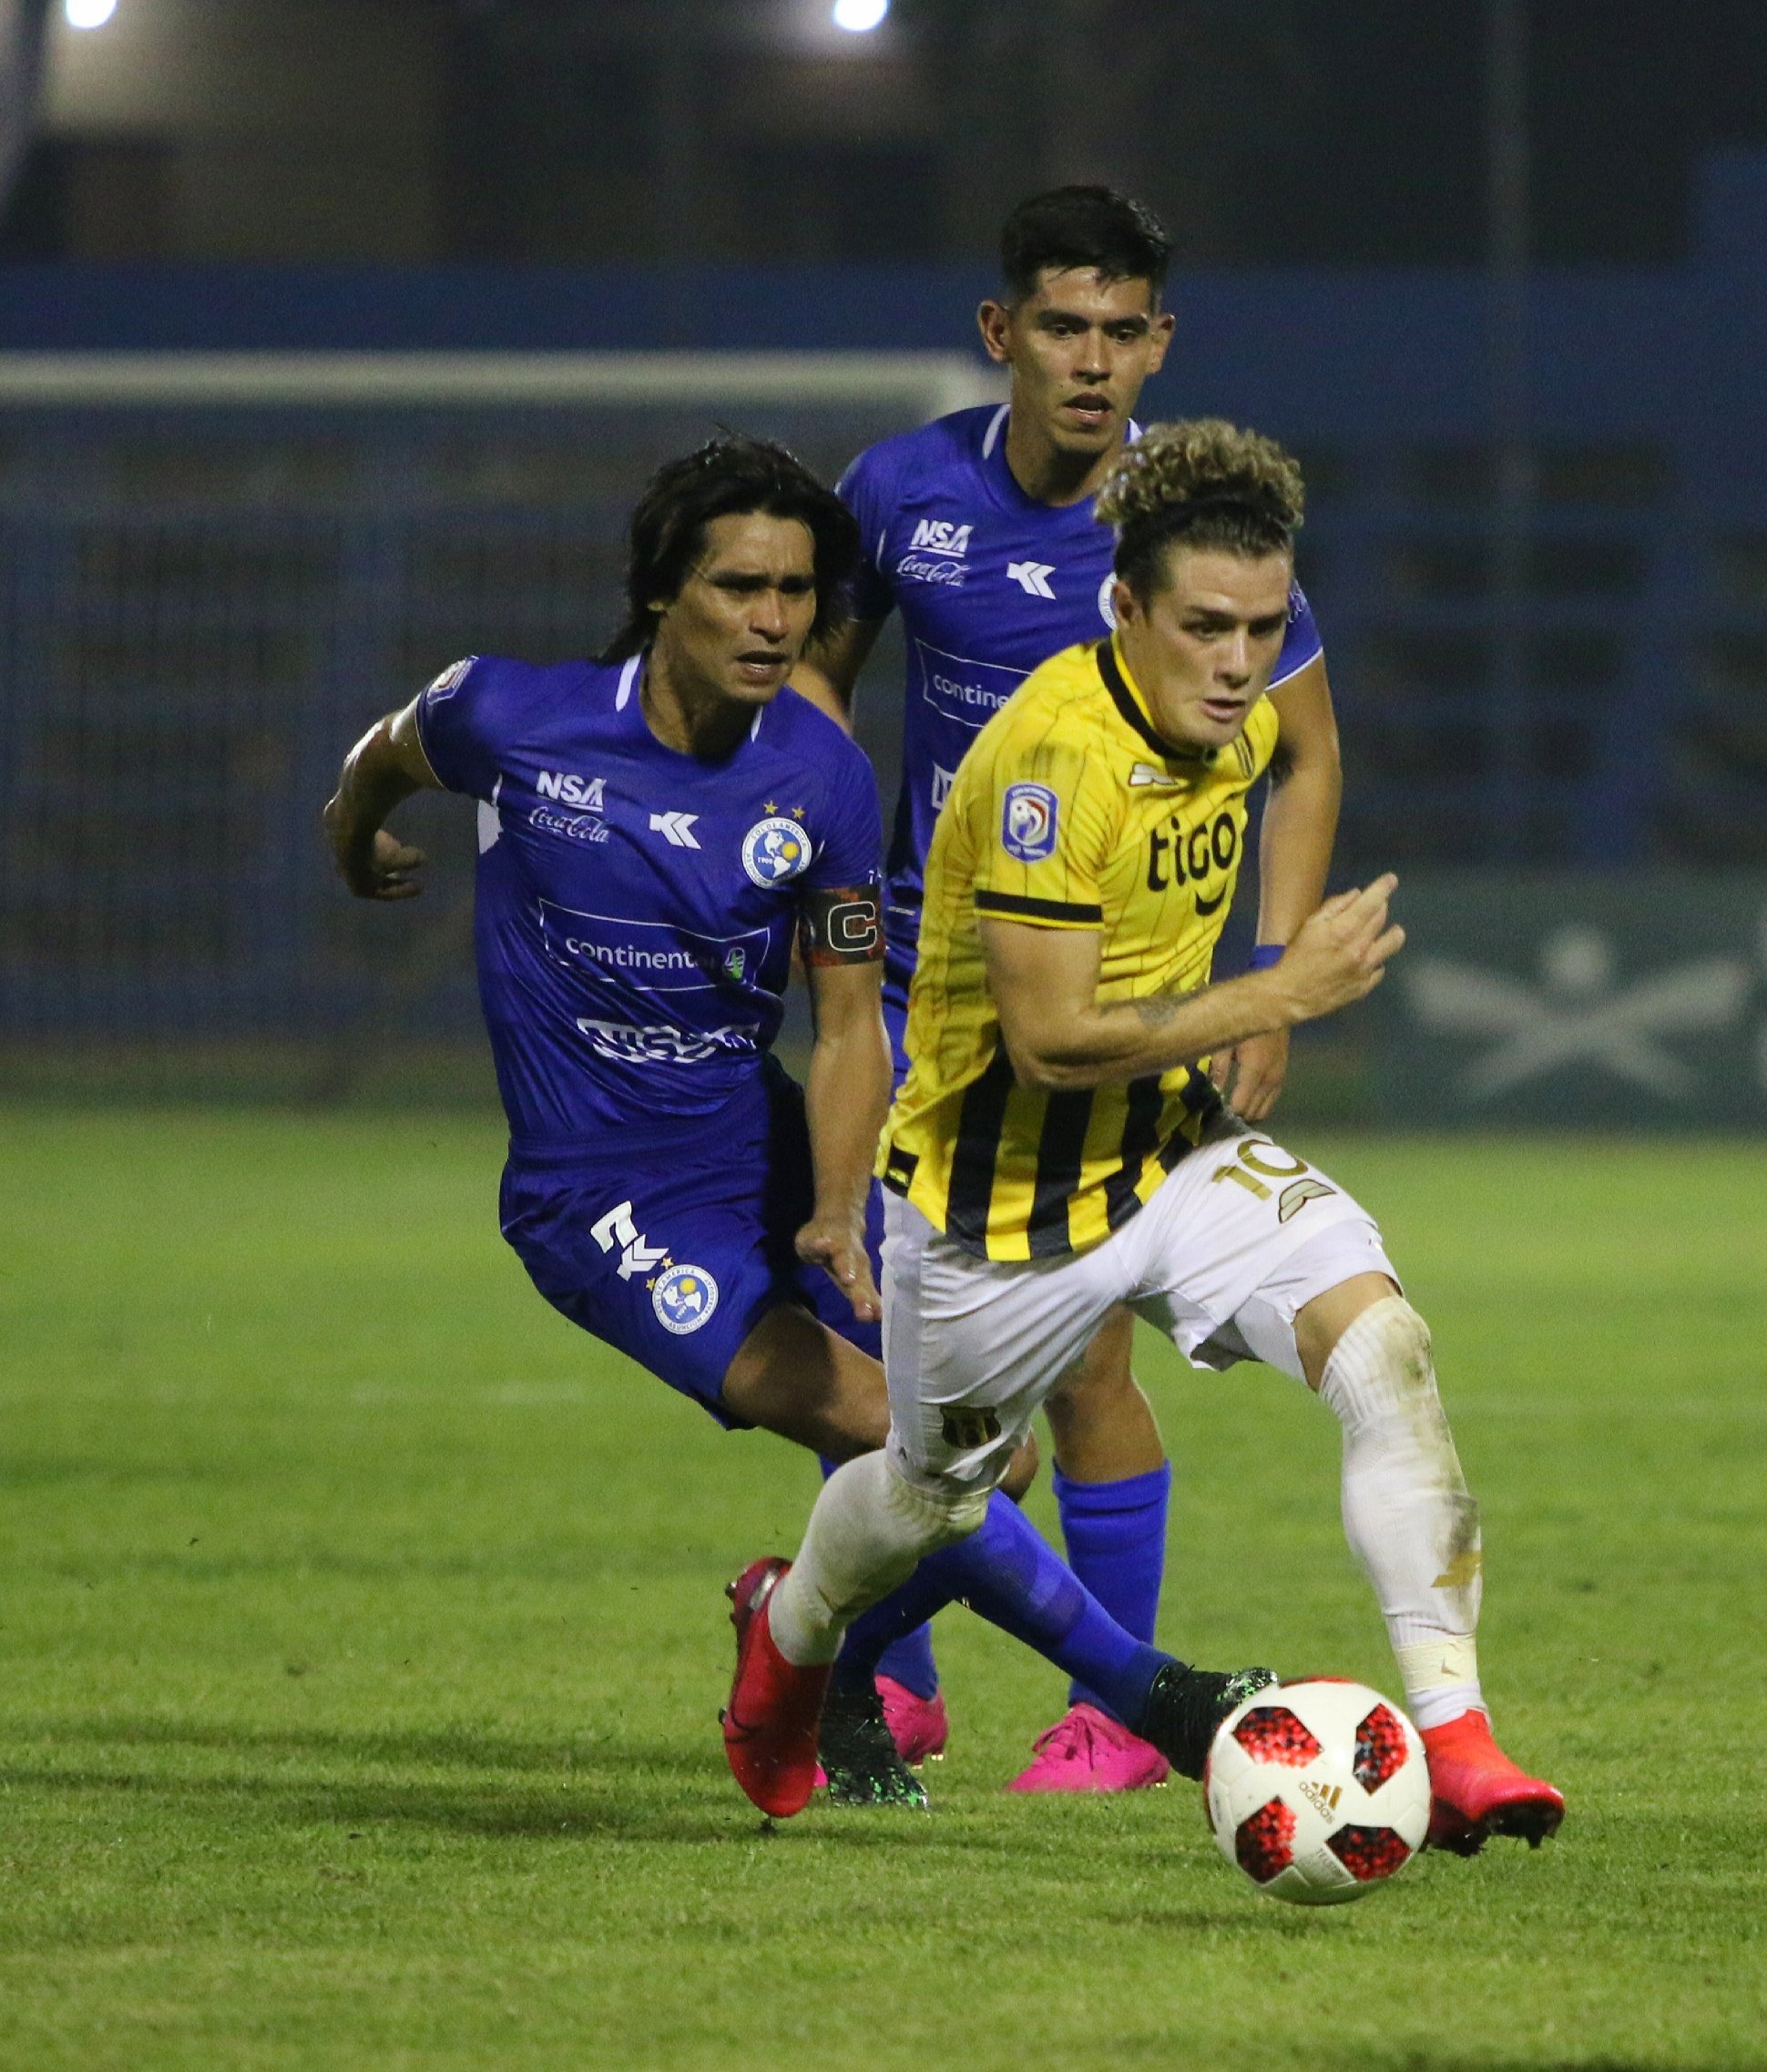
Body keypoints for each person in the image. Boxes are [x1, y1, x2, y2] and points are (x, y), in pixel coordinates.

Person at [320, 434, 1261, 1812]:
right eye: (742, 588)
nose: (776, 622)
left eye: (800, 596)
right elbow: (387, 752)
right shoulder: (509, 716)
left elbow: (838, 1023)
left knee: (990, 1443)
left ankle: (808, 1651)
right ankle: (1156, 1696)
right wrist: (353, 836)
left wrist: (834, 1205)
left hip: (760, 1145)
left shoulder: (815, 778)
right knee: (903, 1432)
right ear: (662, 592)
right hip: (601, 1200)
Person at [726, 421, 1565, 1854]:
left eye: (1259, 629)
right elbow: (1048, 1040)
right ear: (1125, 611)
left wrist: (1267, 980)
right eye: (1204, 630)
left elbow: (1311, 763)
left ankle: (1458, 1738)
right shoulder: (1059, 760)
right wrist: (1276, 987)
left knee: (1381, 1345)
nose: (1237, 664)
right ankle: (791, 1637)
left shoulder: (1226, 713)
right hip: (997, 1205)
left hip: (1166, 1155)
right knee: (935, 1491)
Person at [793, 185, 1345, 1791]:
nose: (1092, 363)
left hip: (1112, 1002)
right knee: (909, 1371)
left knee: (1077, 1359)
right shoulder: (898, 493)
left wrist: (1272, 980)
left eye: (1122, 331)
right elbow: (817, 681)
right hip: (912, 992)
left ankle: (1098, 1713)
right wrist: (807, 872)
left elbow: (1305, 757)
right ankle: (897, 1682)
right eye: (1061, 327)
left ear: (1159, 341)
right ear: (1001, 334)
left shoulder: (1194, 541)